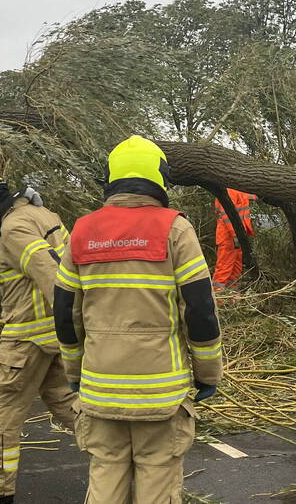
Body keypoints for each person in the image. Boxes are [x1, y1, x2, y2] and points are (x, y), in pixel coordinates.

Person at [54, 135, 223, 504]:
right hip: (161, 394)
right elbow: (199, 310)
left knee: (105, 477)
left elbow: (66, 315)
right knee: (158, 481)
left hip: (99, 389)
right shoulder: (175, 228)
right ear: (160, 178)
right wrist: (207, 374)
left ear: (110, 177)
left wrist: (74, 374)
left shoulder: (81, 231)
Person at [0, 174, 77, 504]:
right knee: (67, 403)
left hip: (27, 338)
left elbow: (52, 274)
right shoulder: (44, 214)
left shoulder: (13, 227)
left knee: (3, 409)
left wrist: (74, 325)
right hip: (53, 336)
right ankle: (120, 457)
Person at [211, 188, 257, 287]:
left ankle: (232, 299)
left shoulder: (236, 189)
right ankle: (218, 298)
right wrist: (235, 235)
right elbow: (228, 217)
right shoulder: (227, 191)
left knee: (236, 270)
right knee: (224, 269)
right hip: (228, 237)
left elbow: (248, 196)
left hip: (237, 236)